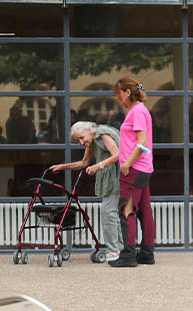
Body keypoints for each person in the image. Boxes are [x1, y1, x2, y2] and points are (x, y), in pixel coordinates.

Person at [49, 121, 122, 261]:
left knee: (108, 212)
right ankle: (120, 249)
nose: (81, 142)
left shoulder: (102, 134)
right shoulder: (93, 141)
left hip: (116, 178)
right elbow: (83, 163)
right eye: (78, 140)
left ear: (89, 130)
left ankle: (114, 251)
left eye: (82, 138)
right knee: (111, 213)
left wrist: (98, 166)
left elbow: (118, 154)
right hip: (111, 179)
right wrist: (61, 166)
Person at [111, 77, 156, 268]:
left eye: (119, 95)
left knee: (126, 210)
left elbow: (142, 142)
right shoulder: (142, 110)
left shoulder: (136, 111)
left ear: (127, 92)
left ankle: (128, 255)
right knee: (145, 211)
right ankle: (146, 254)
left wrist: (127, 164)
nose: (118, 100)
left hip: (134, 170)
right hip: (144, 168)